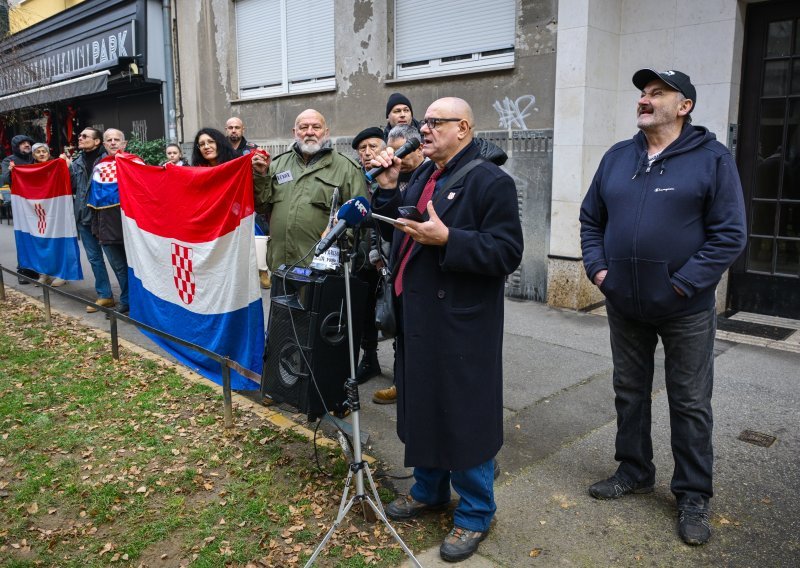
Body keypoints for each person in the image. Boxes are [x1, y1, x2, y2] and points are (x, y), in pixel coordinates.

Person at [579, 69, 747, 546]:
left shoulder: (712, 159)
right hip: (624, 303)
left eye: (657, 93)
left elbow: (730, 234)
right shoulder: (618, 157)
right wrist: (599, 271)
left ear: (684, 106)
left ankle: (693, 494)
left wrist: (683, 285)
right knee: (629, 391)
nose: (644, 99)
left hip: (684, 307)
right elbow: (591, 220)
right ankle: (634, 470)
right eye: (642, 92)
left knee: (689, 401)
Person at [370, 97, 524, 562]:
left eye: (437, 122)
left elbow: (507, 252)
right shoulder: (423, 175)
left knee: (464, 414)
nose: (425, 129)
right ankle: (429, 490)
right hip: (419, 316)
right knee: (424, 405)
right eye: (425, 122)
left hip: (461, 323)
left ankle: (475, 512)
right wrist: (387, 188)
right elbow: (401, 229)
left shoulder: (490, 181)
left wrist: (450, 239)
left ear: (464, 128)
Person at [254, 109, 366, 270]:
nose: (310, 132)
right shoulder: (278, 164)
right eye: (303, 127)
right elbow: (262, 207)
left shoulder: (347, 168)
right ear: (295, 132)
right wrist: (259, 176)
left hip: (321, 268)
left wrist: (334, 244)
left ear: (326, 132)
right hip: (280, 264)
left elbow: (359, 219)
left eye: (316, 127)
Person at [371, 124, 427, 405]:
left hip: (424, 268)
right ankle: (400, 382)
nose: (398, 158)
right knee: (399, 329)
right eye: (393, 151)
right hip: (395, 265)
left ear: (420, 148)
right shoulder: (391, 176)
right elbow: (384, 226)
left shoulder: (430, 177)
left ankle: (417, 388)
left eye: (403, 151)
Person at [350, 127, 387, 384]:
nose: (367, 152)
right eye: (362, 148)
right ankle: (369, 359)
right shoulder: (355, 176)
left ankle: (402, 367)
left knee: (393, 312)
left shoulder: (393, 174)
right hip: (361, 257)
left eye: (373, 146)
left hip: (389, 257)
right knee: (364, 310)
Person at [62, 127, 112, 312]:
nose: (80, 138)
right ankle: (105, 295)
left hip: (106, 218)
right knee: (94, 259)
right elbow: (72, 186)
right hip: (84, 217)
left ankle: (128, 298)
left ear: (97, 141)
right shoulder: (77, 162)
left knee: (116, 260)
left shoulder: (108, 160)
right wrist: (65, 168)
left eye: (85, 136)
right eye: (80, 136)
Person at [88, 128, 132, 316]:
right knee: (119, 267)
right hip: (106, 226)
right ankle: (126, 300)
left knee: (136, 267)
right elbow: (94, 199)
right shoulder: (99, 167)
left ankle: (138, 302)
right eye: (109, 140)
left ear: (124, 143)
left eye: (117, 139)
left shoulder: (135, 163)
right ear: (104, 144)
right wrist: (96, 227)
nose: (113, 142)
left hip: (130, 226)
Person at [2, 134, 40, 285]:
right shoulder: (9, 161)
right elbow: (5, 180)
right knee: (24, 237)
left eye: (28, 142)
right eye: (22, 143)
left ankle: (41, 268)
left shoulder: (36, 157)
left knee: (40, 235)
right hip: (21, 204)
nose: (26, 145)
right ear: (16, 146)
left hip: (40, 203)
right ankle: (24, 270)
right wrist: (11, 171)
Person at [29, 143, 67, 287]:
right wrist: (12, 171)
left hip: (56, 209)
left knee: (58, 242)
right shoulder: (29, 169)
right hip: (38, 211)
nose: (41, 154)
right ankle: (43, 274)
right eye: (38, 152)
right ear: (33, 155)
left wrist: (64, 164)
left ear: (48, 153)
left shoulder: (56, 165)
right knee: (40, 242)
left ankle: (61, 274)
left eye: (44, 151)